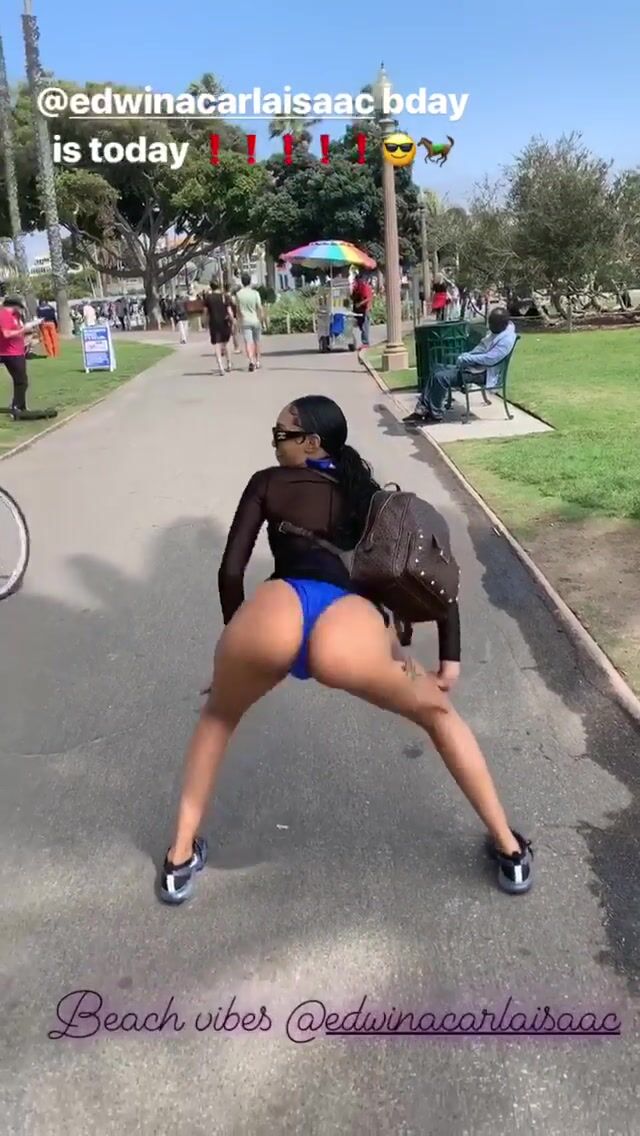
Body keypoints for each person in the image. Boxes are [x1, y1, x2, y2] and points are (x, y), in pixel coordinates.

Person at [159, 394, 533, 904]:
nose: (274, 443)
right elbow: (429, 572)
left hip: (272, 615)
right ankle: (509, 849)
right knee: (441, 715)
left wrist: (233, 648)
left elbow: (230, 572)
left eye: (281, 434)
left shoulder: (267, 482)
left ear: (311, 443)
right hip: (351, 631)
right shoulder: (370, 495)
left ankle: (179, 858)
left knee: (218, 718)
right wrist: (449, 658)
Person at [403, 307, 517, 425]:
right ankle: (421, 410)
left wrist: (467, 358)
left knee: (441, 378)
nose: (490, 327)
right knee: (436, 371)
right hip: (473, 367)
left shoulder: (506, 340)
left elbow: (490, 359)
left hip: (483, 373)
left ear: (501, 324)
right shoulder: (498, 332)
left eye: (492, 324)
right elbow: (481, 348)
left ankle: (435, 414)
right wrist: (468, 357)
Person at [0, 297, 56, 421]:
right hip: (10, 353)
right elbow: (7, 334)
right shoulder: (4, 315)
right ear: (15, 305)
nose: (22, 310)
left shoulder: (15, 315)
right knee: (21, 381)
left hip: (17, 351)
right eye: (21, 307)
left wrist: (31, 326)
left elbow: (19, 330)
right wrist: (23, 329)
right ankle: (17, 408)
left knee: (21, 381)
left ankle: (20, 407)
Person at [202, 280, 235, 376]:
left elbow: (205, 312)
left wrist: (204, 322)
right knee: (226, 343)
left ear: (211, 287)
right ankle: (229, 363)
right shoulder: (224, 297)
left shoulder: (208, 298)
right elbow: (229, 311)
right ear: (219, 286)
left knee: (217, 344)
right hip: (225, 322)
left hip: (214, 323)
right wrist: (232, 320)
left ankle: (220, 366)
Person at [235, 272, 264, 372]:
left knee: (248, 342)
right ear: (250, 281)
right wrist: (261, 319)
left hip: (245, 321)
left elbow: (238, 310)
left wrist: (239, 320)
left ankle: (251, 361)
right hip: (255, 320)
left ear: (242, 282)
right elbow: (259, 307)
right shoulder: (255, 293)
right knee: (257, 341)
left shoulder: (238, 294)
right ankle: (258, 361)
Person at [351, 271, 373, 349]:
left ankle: (365, 343)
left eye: (356, 281)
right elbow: (353, 297)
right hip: (359, 311)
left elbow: (368, 298)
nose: (354, 282)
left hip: (365, 309)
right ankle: (365, 341)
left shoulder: (364, 287)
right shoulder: (357, 288)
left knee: (364, 326)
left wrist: (359, 304)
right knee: (361, 325)